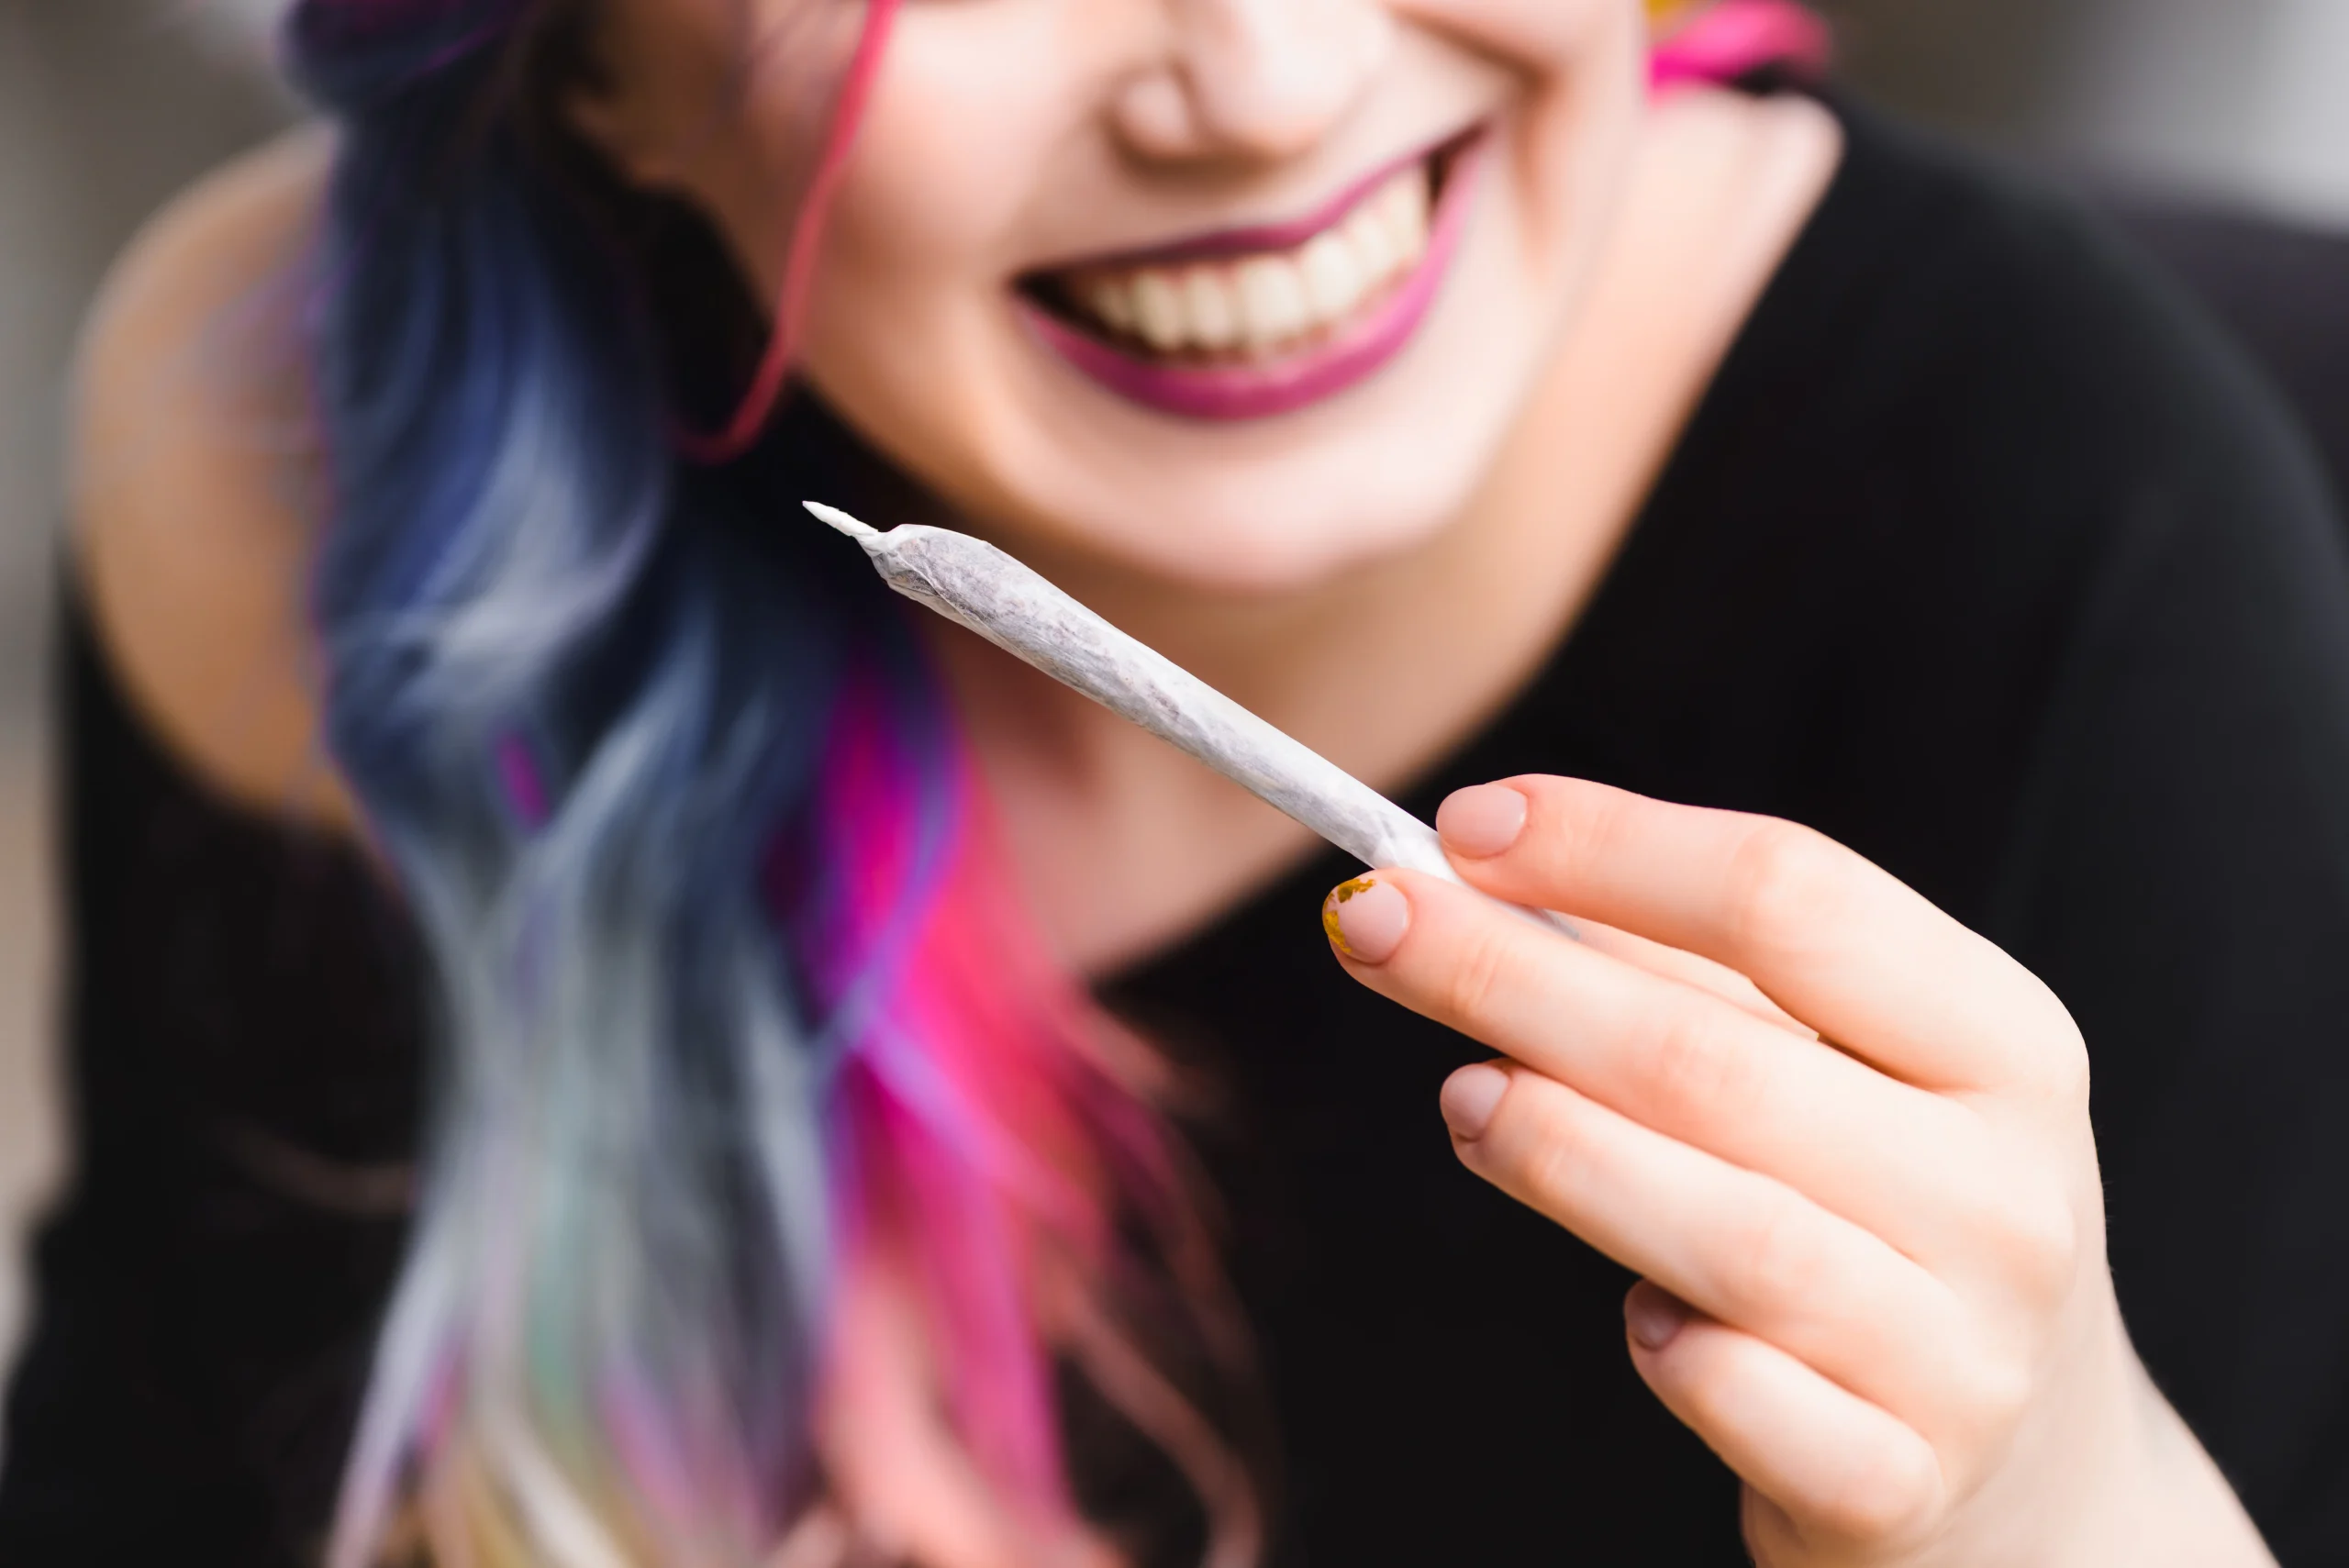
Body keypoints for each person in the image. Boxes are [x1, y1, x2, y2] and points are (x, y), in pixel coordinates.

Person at [5, 0, 2345, 1562]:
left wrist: (2053, 1493)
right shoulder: (298, 489)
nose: (1256, 78)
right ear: (585, 68)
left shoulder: (2080, 532)